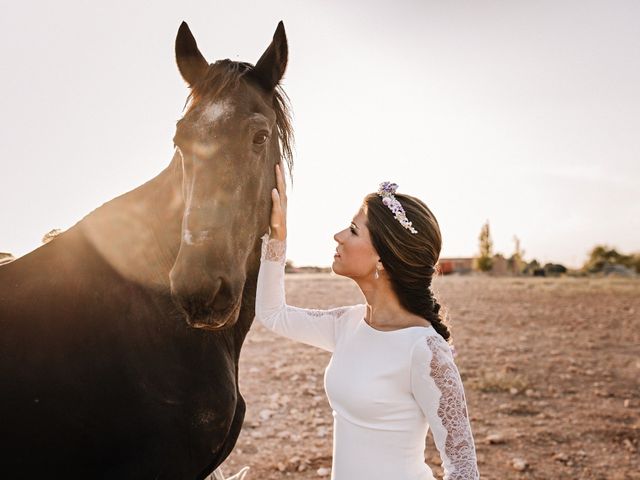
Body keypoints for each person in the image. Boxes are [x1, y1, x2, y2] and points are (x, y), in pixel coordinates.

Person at [254, 163, 480, 480]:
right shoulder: (347, 323)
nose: (338, 236)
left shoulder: (425, 349)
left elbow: (464, 469)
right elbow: (272, 314)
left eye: (353, 230)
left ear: (382, 259)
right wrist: (277, 237)